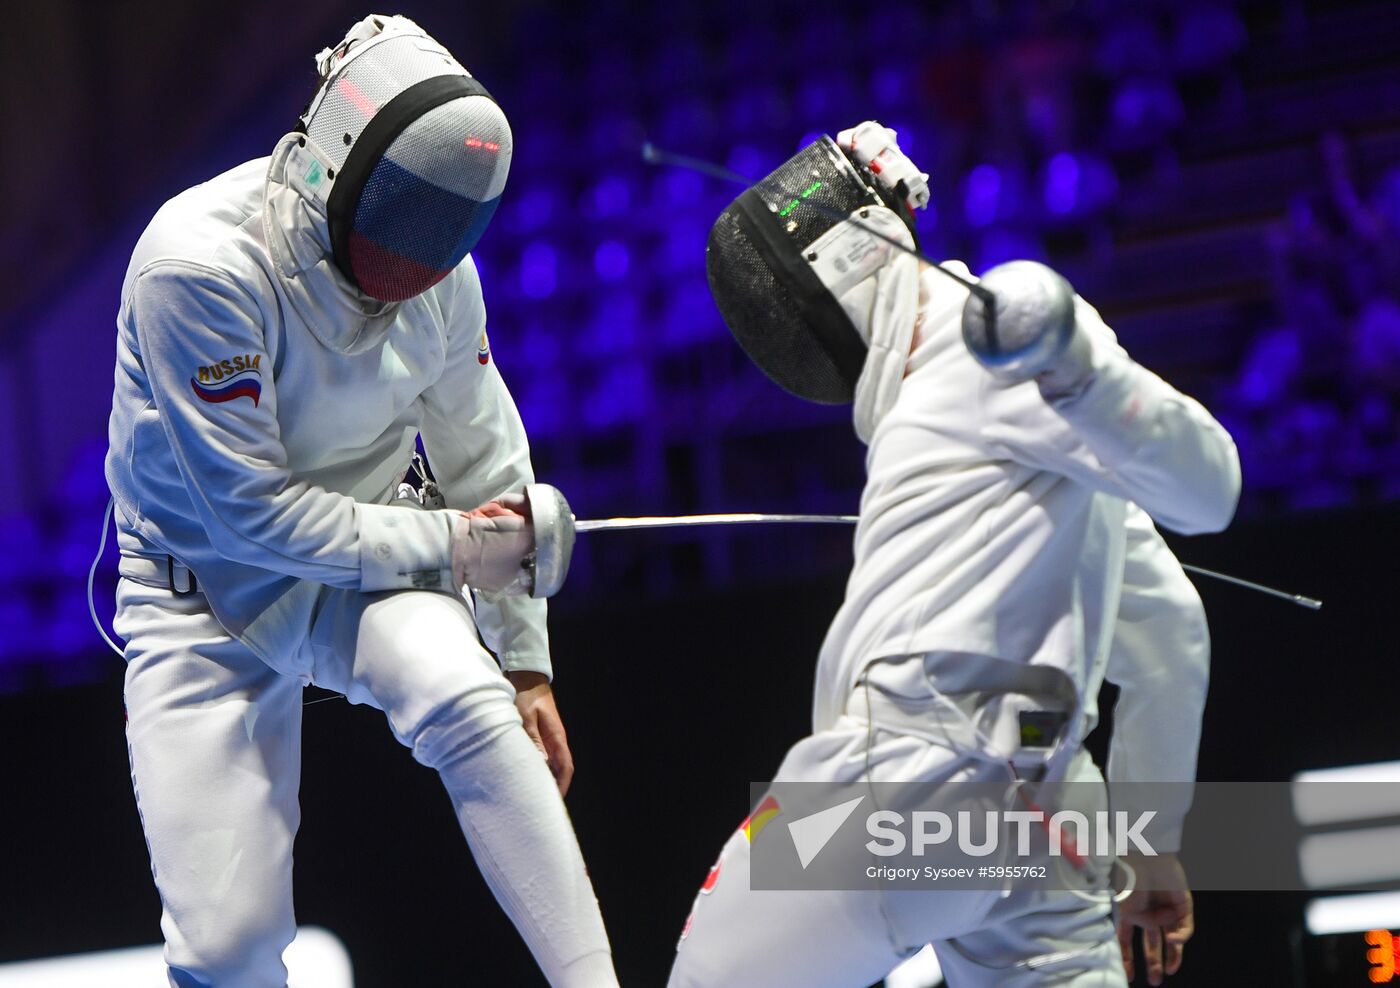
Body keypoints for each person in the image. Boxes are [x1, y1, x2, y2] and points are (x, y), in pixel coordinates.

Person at [104, 15, 618, 987]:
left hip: (369, 561)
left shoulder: (443, 276)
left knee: (464, 696)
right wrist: (457, 547)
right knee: (226, 948)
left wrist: (522, 662)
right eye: (405, 223)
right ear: (339, 165)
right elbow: (251, 517)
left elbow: (481, 451)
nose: (421, 266)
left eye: (443, 235)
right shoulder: (198, 269)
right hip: (202, 591)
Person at [670, 122, 1238, 987]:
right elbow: (1172, 639)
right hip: (1041, 814)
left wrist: (1083, 370)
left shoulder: (995, 354)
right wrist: (1151, 844)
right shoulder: (996, 399)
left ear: (850, 259)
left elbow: (1212, 490)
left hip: (900, 795)